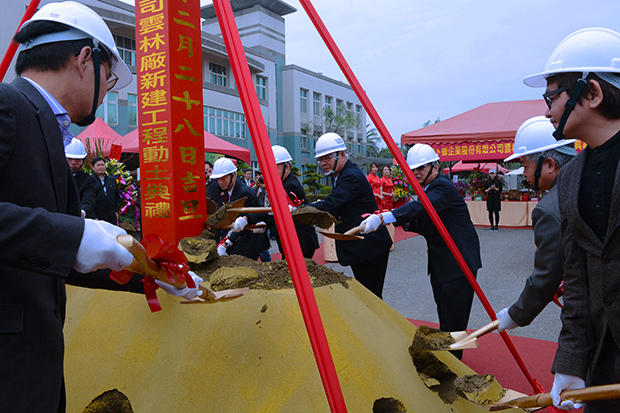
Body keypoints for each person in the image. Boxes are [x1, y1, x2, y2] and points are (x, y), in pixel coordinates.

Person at [0, 3, 201, 412]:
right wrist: (75, 236)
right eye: (109, 78)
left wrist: (155, 274)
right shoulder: (7, 105)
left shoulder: (45, 124)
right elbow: (66, 242)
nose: (107, 92)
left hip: (32, 370)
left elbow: (58, 257)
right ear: (85, 59)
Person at [523, 27, 620, 411]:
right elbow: (577, 283)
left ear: (592, 93)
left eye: (552, 96)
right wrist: (570, 363)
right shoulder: (571, 180)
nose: (546, 110)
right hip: (602, 361)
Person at [359, 144, 481, 359]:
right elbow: (422, 221)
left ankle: (456, 365)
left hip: (459, 262)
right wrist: (387, 216)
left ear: (436, 166)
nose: (416, 173)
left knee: (456, 320)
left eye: (421, 168)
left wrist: (385, 217)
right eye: (413, 170)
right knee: (446, 315)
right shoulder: (431, 190)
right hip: (443, 263)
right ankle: (451, 359)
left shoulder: (442, 187)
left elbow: (422, 208)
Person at [495, 117, 577, 335]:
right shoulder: (588, 180)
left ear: (549, 164)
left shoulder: (549, 208)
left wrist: (516, 314)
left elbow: (547, 274)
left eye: (525, 166)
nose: (524, 174)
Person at [310, 133, 392, 298]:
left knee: (371, 298)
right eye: (320, 159)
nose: (323, 163)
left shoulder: (350, 176)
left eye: (327, 158)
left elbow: (331, 204)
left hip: (369, 247)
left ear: (342, 154)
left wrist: (299, 210)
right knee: (368, 297)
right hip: (363, 246)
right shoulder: (342, 175)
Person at [232, 145, 319, 259]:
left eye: (274, 169)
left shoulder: (291, 186)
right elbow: (276, 213)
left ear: (287, 167)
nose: (270, 174)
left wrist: (247, 219)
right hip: (290, 241)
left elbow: (275, 209)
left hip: (300, 241)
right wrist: (265, 224)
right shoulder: (281, 183)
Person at [206, 157, 270, 260]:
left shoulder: (243, 193)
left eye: (223, 178)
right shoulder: (228, 189)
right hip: (238, 236)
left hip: (250, 240)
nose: (220, 182)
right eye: (218, 179)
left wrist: (226, 244)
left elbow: (242, 223)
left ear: (234, 176)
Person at [65, 138, 97, 218]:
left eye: (77, 160)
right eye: (69, 159)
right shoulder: (55, 176)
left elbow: (88, 199)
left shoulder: (88, 180)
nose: (73, 163)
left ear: (83, 160)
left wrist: (82, 212)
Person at [91, 156, 121, 225]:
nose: (101, 167)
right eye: (98, 165)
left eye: (102, 165)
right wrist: (93, 216)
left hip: (111, 217)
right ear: (93, 167)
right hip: (97, 218)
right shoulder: (90, 181)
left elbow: (117, 198)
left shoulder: (112, 180)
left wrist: (116, 211)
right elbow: (88, 201)